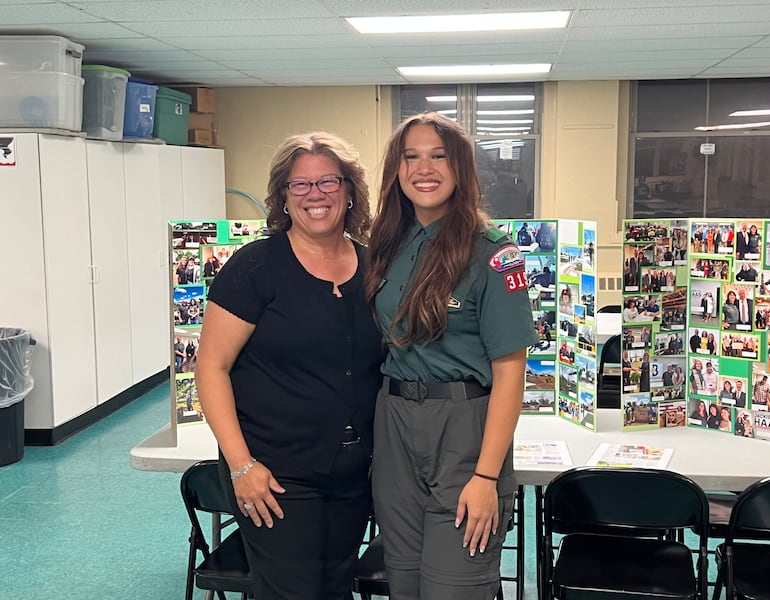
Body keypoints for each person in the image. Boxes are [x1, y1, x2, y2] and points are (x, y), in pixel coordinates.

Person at [195, 131, 385, 599]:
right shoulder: (255, 268)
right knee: (292, 592)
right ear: (283, 196)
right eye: (300, 185)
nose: (315, 195)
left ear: (349, 190)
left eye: (327, 182)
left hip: (352, 469)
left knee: (338, 585)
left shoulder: (373, 268)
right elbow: (211, 368)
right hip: (273, 471)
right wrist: (241, 466)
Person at [364, 113, 536, 600]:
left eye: (438, 155)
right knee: (405, 584)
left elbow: (510, 372)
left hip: (463, 428)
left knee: (454, 589)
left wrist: (485, 476)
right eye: (411, 156)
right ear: (396, 170)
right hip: (394, 422)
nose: (425, 167)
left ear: (461, 168)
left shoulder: (493, 253)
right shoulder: (386, 244)